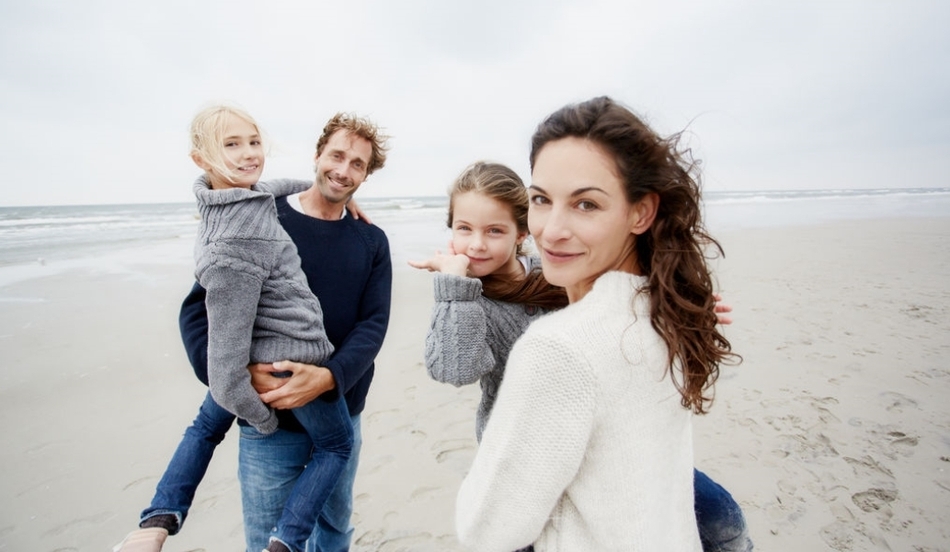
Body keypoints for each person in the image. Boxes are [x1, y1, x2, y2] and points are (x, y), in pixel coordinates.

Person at [411, 161, 751, 551]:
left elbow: (619, 302)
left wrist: (685, 310)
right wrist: (456, 285)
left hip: (604, 434)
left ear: (522, 232)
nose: (476, 245)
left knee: (723, 519)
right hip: (528, 451)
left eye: (494, 231)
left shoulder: (555, 268)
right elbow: (454, 369)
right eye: (463, 229)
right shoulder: (466, 300)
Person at [115, 104, 354, 552]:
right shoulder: (235, 245)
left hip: (260, 350)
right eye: (232, 145)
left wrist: (332, 193)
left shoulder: (227, 200)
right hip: (295, 357)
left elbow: (274, 186)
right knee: (336, 448)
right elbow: (224, 369)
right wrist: (262, 418)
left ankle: (156, 520)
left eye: (253, 141)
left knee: (203, 428)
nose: (249, 154)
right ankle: (286, 540)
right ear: (201, 159)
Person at [179, 111, 392, 552]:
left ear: (366, 175)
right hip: (268, 424)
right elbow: (198, 311)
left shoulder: (371, 240)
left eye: (358, 164)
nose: (343, 169)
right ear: (317, 155)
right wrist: (234, 376)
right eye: (337, 155)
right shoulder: (259, 214)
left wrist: (329, 377)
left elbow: (372, 326)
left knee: (333, 532)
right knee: (265, 541)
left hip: (340, 409)